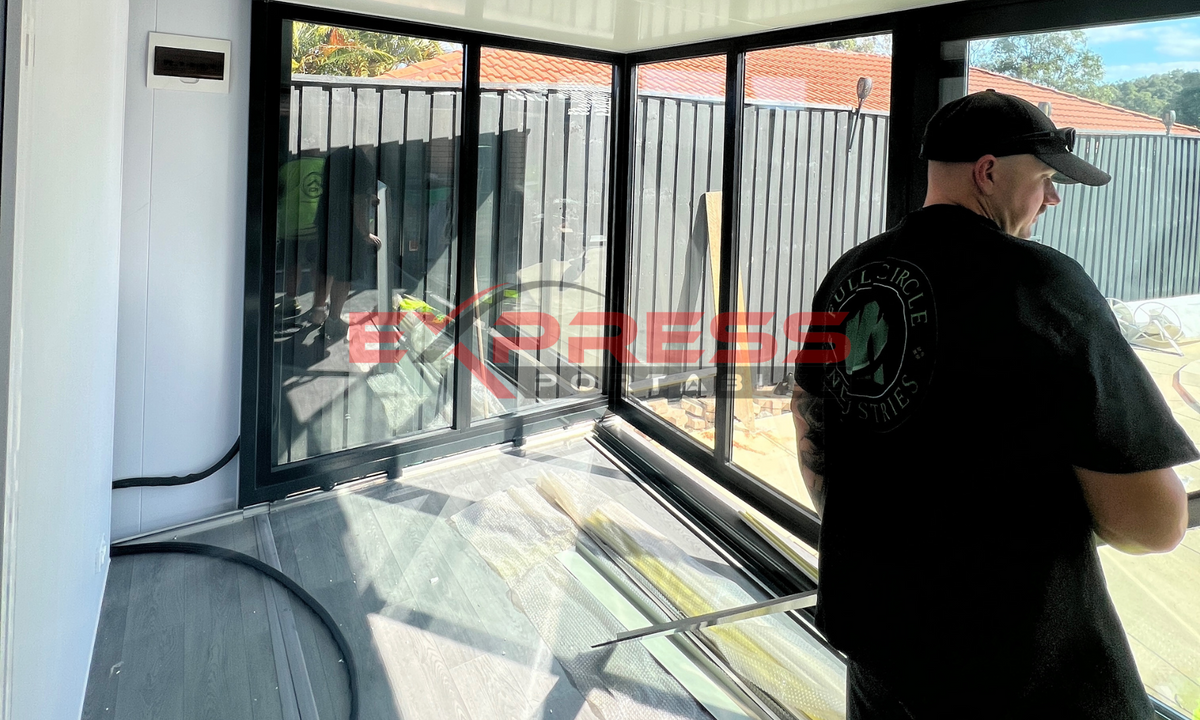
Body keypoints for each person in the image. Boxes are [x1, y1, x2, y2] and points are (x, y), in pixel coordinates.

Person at [790, 90, 1197, 719]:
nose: (1053, 198)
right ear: (987, 171)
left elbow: (812, 419)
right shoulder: (1041, 283)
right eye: (1045, 179)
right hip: (1015, 671)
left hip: (875, 637)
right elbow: (1154, 523)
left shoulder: (851, 270)